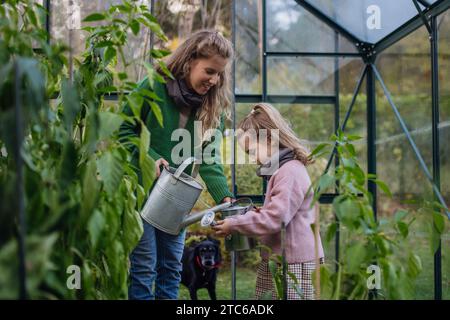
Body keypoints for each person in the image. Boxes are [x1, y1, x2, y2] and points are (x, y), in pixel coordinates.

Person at [119, 30, 234, 300]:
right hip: (144, 194)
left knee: (171, 268)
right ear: (189, 60)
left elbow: (208, 158)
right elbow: (124, 132)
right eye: (209, 71)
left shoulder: (211, 107)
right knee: (145, 268)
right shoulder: (152, 86)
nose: (214, 80)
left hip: (177, 201)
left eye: (219, 74)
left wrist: (224, 196)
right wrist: (149, 159)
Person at [213, 103, 324, 300]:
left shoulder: (290, 172)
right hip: (281, 260)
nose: (254, 159)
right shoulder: (283, 171)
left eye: (253, 152)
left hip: (294, 265)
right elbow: (279, 211)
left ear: (270, 139)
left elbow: (277, 217)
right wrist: (254, 213)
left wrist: (235, 224)